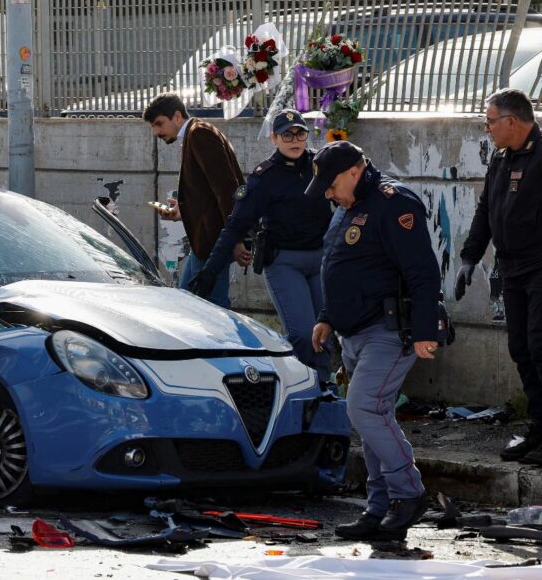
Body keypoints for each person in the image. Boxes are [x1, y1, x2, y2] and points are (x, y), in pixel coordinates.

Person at [306, 141, 440, 541]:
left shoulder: (393, 202)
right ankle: (379, 510)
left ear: (352, 172)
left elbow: (423, 271)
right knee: (372, 419)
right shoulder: (350, 206)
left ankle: (409, 494)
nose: (329, 195)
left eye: (331, 186)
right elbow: (340, 265)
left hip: (389, 330)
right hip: (354, 332)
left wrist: (424, 331)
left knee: (363, 408)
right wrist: (328, 317)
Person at [192, 110, 334, 382]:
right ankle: (303, 390)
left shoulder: (321, 164)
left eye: (300, 133)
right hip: (284, 263)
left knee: (324, 333)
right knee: (303, 334)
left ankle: (324, 391)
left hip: (320, 260)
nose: (294, 140)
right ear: (274, 138)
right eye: (287, 134)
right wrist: (211, 269)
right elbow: (235, 224)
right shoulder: (264, 177)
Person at [456, 88, 542, 464]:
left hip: (540, 267)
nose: (487, 127)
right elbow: (486, 208)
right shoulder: (502, 157)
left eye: (490, 120)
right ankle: (540, 428)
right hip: (512, 269)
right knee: (520, 349)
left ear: (511, 121)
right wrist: (469, 258)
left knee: (541, 348)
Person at [143, 92, 246, 308]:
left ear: (177, 117)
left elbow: (227, 189)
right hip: (205, 243)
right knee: (186, 304)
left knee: (212, 312)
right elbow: (208, 194)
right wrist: (181, 211)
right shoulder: (195, 133)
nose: (156, 132)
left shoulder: (199, 134)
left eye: (159, 124)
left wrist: (236, 240)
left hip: (213, 243)